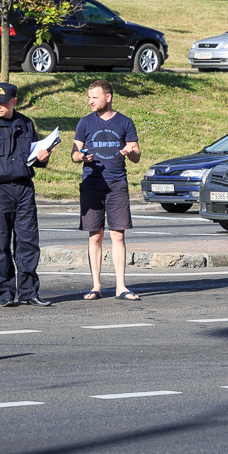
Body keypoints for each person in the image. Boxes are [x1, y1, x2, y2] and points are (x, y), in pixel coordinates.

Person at [0, 82, 54, 307]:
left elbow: (34, 155)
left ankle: (28, 292)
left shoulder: (25, 123)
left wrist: (43, 159)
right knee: (1, 244)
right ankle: (5, 292)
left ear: (14, 102)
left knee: (28, 243)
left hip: (24, 189)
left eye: (3, 103)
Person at [72, 79, 141, 301]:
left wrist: (130, 152)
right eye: (89, 98)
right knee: (95, 236)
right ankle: (96, 286)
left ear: (108, 97)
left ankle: (121, 286)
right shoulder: (84, 123)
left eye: (95, 97)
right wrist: (81, 156)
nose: (91, 101)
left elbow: (137, 155)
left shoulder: (125, 122)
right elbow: (74, 154)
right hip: (92, 183)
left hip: (117, 184)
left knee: (118, 236)